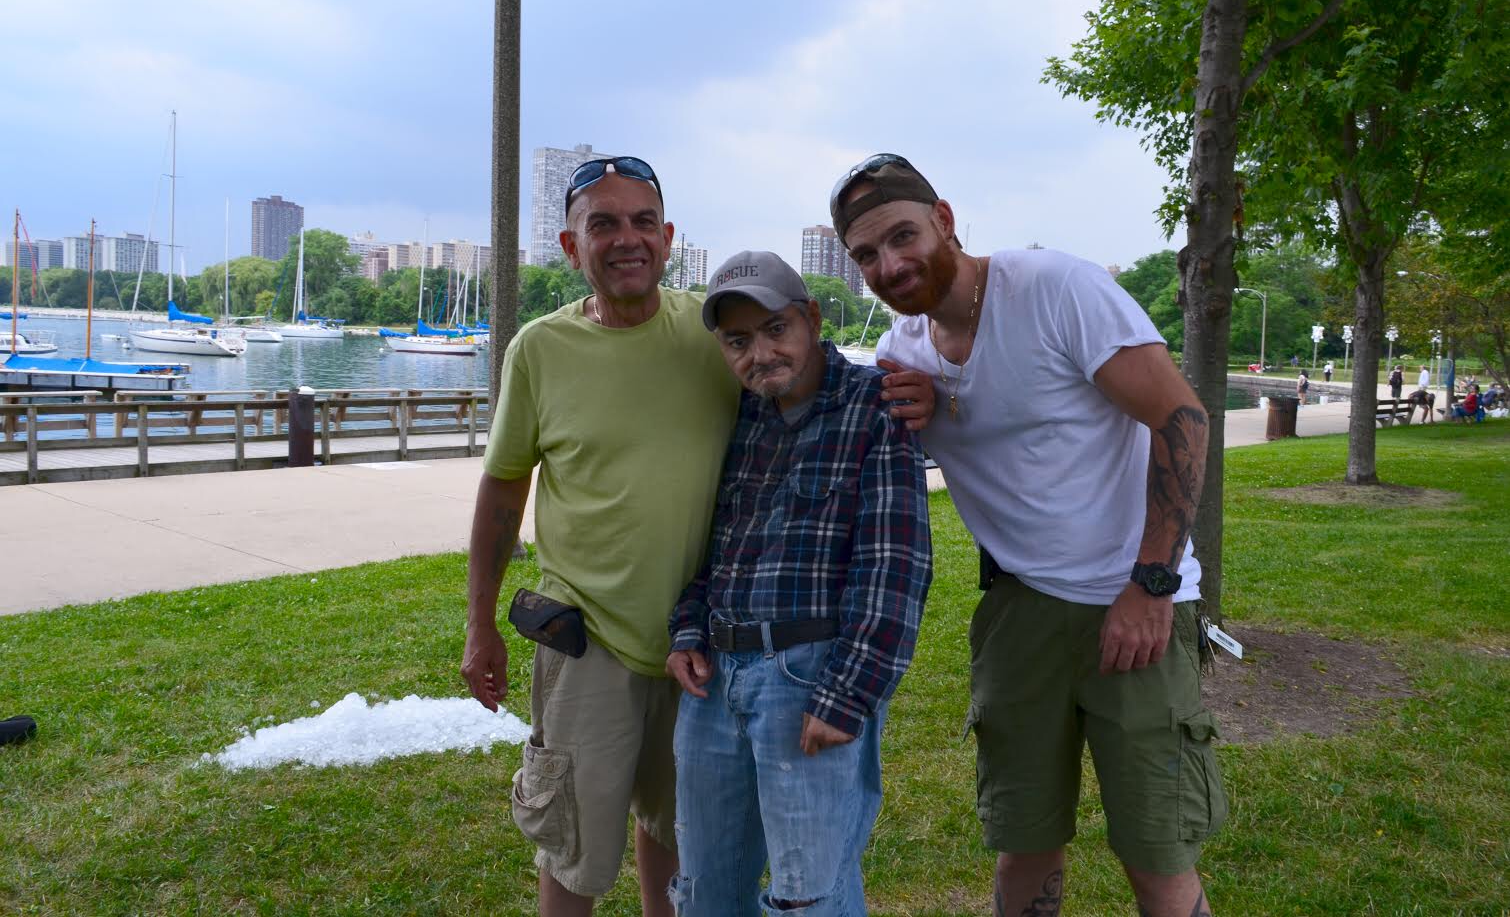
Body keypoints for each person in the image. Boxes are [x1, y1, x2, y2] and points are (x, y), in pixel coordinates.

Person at [461, 156, 935, 917]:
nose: (627, 238)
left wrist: (912, 387)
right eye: (603, 224)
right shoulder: (540, 350)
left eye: (643, 221)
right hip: (592, 639)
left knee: (681, 835)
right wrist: (479, 623)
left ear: (668, 236)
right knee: (574, 846)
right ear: (571, 245)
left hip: (705, 653)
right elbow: (502, 490)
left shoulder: (713, 329)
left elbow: (881, 543)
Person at [833, 154, 1225, 917]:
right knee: (1024, 838)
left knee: (1156, 851)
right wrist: (921, 410)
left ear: (944, 219)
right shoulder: (903, 352)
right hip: (1019, 614)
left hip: (1133, 601)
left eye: (902, 236)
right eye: (866, 254)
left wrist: (1152, 586)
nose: (889, 264)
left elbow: (1181, 418)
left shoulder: (1055, 288)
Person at [665, 251, 932, 917]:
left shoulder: (876, 406)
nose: (760, 353)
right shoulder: (744, 415)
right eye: (737, 341)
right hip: (713, 681)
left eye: (775, 329)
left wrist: (847, 696)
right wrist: (689, 630)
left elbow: (894, 570)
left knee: (808, 897)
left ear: (811, 318)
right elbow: (717, 545)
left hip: (808, 677)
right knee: (703, 890)